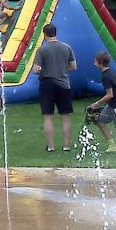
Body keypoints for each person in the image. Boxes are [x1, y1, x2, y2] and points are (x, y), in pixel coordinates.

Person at [32, 23, 77, 152]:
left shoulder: (42, 50)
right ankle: (66, 145)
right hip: (64, 84)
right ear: (55, 33)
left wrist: (45, 70)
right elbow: (74, 66)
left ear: (44, 34)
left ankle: (51, 146)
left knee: (48, 115)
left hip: (47, 84)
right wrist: (62, 68)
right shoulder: (66, 47)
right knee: (65, 115)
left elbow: (35, 69)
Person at [88, 52, 116, 153]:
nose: (94, 63)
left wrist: (97, 103)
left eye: (95, 62)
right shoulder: (111, 72)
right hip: (113, 104)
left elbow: (110, 94)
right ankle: (112, 145)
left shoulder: (105, 76)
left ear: (100, 63)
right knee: (101, 121)